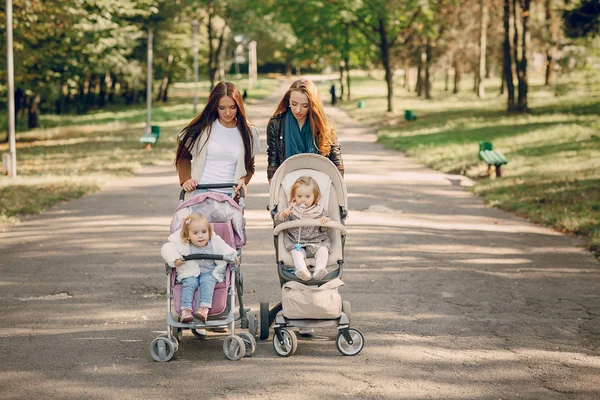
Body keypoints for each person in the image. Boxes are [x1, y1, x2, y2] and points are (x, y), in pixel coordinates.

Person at [175, 81, 260, 197]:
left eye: (232, 107)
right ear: (215, 107)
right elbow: (183, 157)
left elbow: (250, 167)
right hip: (200, 191)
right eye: (222, 108)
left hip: (230, 195)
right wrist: (186, 179)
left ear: (239, 106)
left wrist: (244, 180)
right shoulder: (202, 129)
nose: (228, 112)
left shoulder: (249, 133)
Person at [161, 213, 239, 323]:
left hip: (210, 272)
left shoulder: (215, 242)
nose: (201, 236)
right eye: (195, 233)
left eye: (204, 232)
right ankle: (186, 310)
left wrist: (233, 255)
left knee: (207, 282)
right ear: (188, 235)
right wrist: (175, 258)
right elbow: (167, 248)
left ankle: (204, 309)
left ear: (209, 232)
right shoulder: (182, 243)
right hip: (190, 272)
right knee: (189, 283)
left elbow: (226, 249)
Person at [266, 78, 344, 183]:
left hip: (319, 185)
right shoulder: (276, 124)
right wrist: (273, 183)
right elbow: (273, 158)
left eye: (305, 105)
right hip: (287, 183)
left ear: (312, 105)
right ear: (288, 100)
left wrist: (338, 185)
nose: (298, 110)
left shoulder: (325, 124)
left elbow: (336, 158)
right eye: (294, 104)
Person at [274, 176, 331, 281]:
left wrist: (324, 222)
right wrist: (282, 215)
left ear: (315, 197)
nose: (303, 200)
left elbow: (324, 230)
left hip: (317, 241)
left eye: (308, 196)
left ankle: (320, 270)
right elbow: (278, 224)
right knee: (296, 254)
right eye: (299, 196)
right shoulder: (291, 210)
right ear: (294, 196)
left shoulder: (320, 211)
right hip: (297, 242)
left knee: (323, 251)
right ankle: (303, 272)